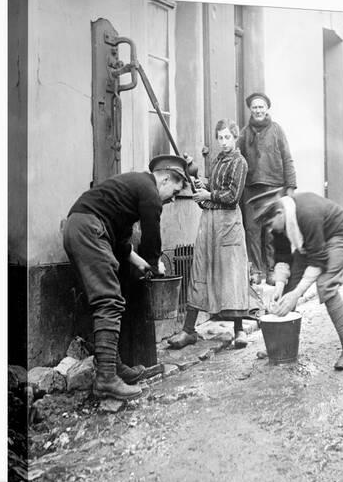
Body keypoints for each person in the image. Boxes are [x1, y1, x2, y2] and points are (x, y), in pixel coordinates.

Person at [63, 155, 188, 400]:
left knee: (104, 299)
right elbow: (152, 234)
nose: (173, 198)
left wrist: (140, 263)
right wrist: (154, 263)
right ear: (164, 179)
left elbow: (121, 241)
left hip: (78, 227)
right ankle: (106, 380)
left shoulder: (133, 188)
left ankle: (112, 366)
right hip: (89, 228)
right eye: (174, 191)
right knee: (109, 301)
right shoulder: (150, 192)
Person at [248, 188, 343, 370]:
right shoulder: (280, 222)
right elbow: (283, 258)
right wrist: (280, 289)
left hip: (339, 234)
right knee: (289, 288)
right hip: (313, 243)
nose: (269, 229)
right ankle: (279, 344)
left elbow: (318, 260)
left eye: (269, 224)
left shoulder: (307, 214)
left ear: (280, 213)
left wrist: (297, 294)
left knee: (325, 285)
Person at [168, 118, 250, 350]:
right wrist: (199, 182)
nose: (224, 142)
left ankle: (239, 329)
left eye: (228, 137)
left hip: (228, 223)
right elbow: (212, 187)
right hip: (209, 222)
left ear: (235, 138)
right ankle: (188, 330)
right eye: (220, 137)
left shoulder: (240, 162)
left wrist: (208, 195)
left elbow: (233, 196)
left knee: (231, 274)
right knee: (200, 269)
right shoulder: (217, 160)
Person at [238, 92, 297, 285]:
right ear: (250, 110)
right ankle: (256, 271)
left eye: (261, 107)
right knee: (252, 231)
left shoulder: (277, 130)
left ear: (267, 109)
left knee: (271, 230)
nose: (258, 110)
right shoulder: (245, 133)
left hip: (273, 188)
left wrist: (290, 187)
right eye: (254, 107)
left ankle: (271, 270)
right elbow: (237, 160)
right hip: (251, 189)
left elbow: (287, 158)